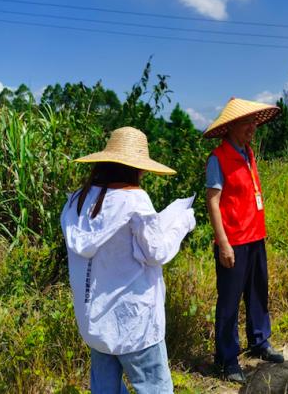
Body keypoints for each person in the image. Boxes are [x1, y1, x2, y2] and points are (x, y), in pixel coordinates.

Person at [61, 126, 196, 394]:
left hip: (96, 322)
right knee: (154, 388)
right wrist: (182, 223)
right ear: (136, 167)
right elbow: (156, 253)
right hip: (134, 321)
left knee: (104, 389)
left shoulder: (78, 200)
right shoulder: (134, 199)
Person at [203, 98, 285, 384]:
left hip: (255, 237)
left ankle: (260, 342)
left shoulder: (248, 153)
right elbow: (212, 202)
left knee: (258, 293)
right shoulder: (218, 158)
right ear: (230, 127)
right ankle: (226, 359)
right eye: (246, 123)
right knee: (228, 301)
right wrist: (223, 242)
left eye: (254, 122)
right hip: (233, 241)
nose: (253, 127)